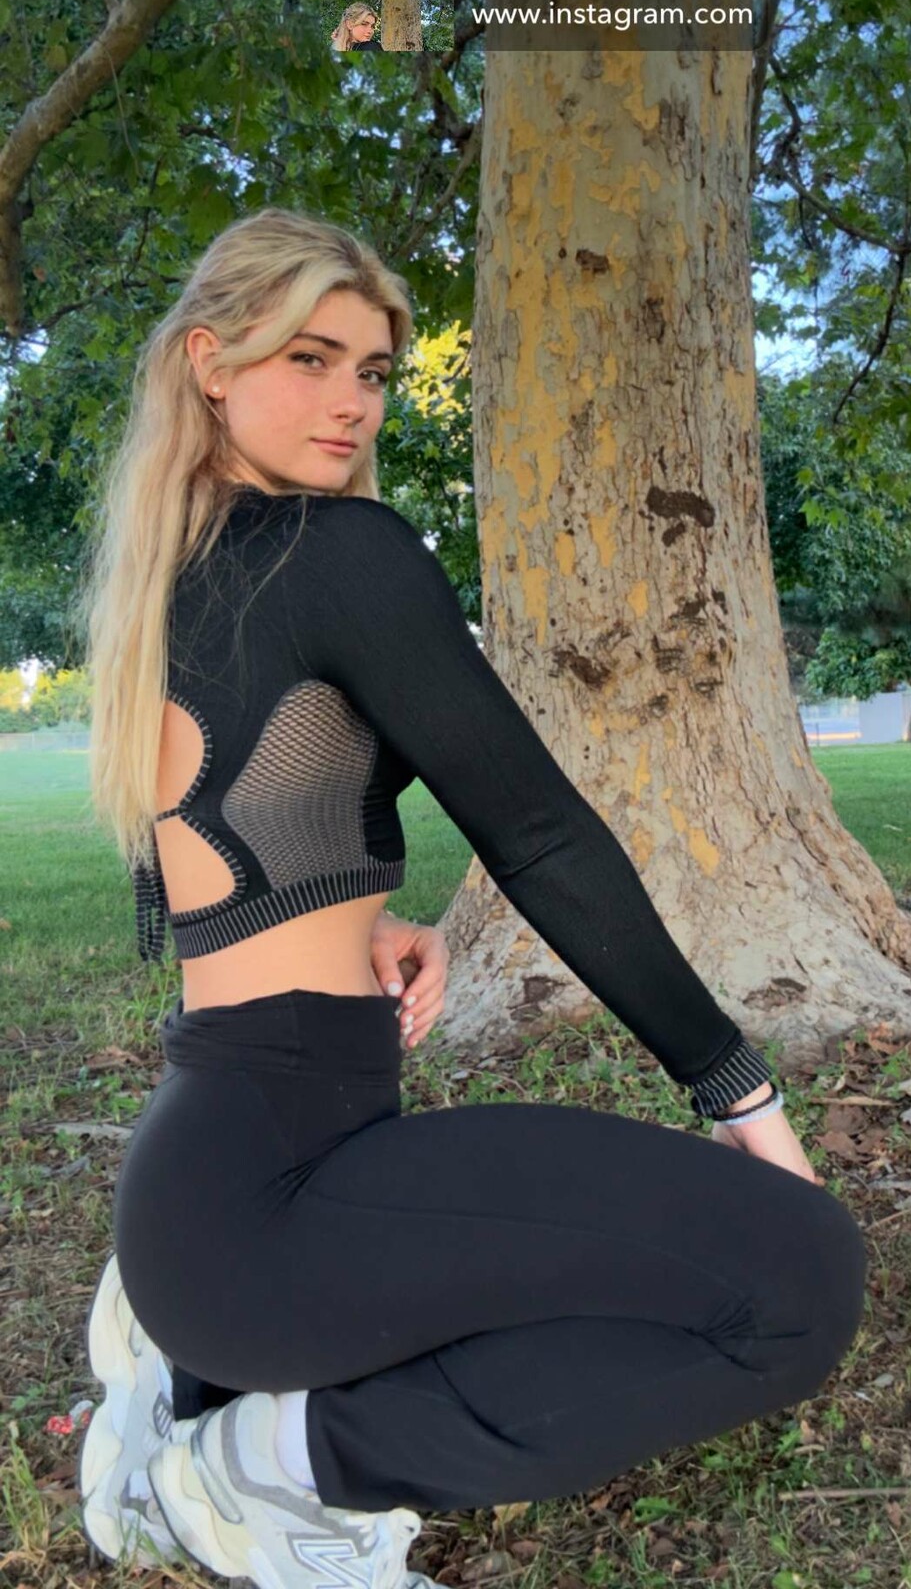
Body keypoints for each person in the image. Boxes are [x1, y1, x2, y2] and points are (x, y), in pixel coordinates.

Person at [76, 207, 866, 1589]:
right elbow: (540, 835)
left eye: (373, 370)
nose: (351, 401)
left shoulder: (178, 572)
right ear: (211, 361)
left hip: (220, 1178)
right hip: (268, 1204)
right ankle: (267, 1469)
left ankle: (192, 1385)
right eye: (310, 358)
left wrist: (365, 920)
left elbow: (220, 840)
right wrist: (743, 1097)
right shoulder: (336, 550)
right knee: (799, 1282)